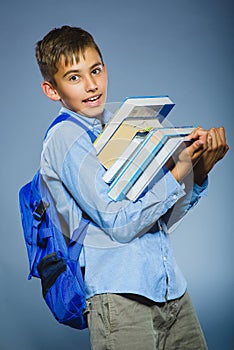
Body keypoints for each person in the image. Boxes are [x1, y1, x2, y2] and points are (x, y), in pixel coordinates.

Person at [35, 25, 228, 349]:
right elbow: (121, 225)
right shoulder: (65, 138)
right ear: (52, 90)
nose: (92, 84)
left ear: (105, 68)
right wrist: (178, 173)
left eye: (95, 70)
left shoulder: (121, 124)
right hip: (120, 298)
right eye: (74, 77)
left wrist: (199, 170)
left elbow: (157, 220)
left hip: (169, 288)